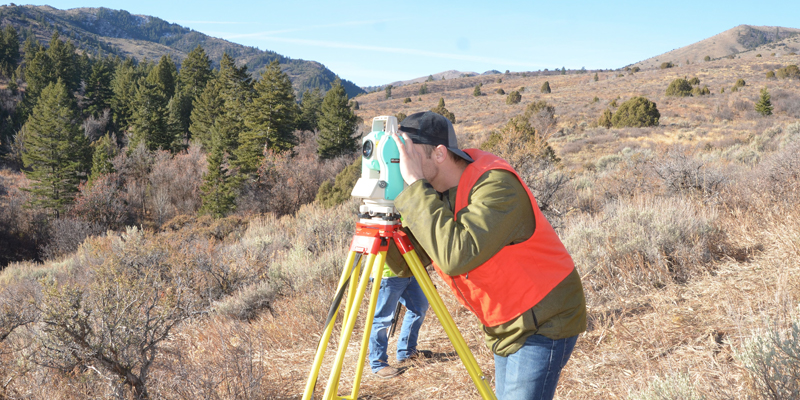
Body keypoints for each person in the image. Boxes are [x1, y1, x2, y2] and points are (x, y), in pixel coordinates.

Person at [386, 111, 587, 400]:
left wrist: (414, 189)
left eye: (408, 150)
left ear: (440, 153)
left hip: (544, 319)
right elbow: (408, 264)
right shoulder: (436, 194)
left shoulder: (495, 185)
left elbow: (455, 254)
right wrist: (383, 211)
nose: (402, 158)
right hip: (506, 321)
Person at [367, 263, 429, 379]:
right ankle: (378, 364)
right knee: (382, 320)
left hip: (410, 269)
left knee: (419, 308)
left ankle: (406, 351)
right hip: (387, 275)